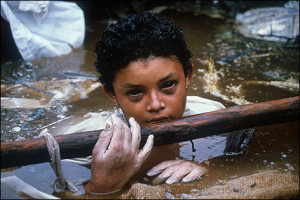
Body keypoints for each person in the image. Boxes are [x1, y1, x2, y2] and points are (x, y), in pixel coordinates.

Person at [81, 12, 225, 194]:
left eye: (168, 85)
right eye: (135, 92)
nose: (156, 105)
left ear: (188, 76)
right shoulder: (86, 148)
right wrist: (101, 186)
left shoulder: (214, 118)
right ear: (111, 94)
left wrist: (207, 169)